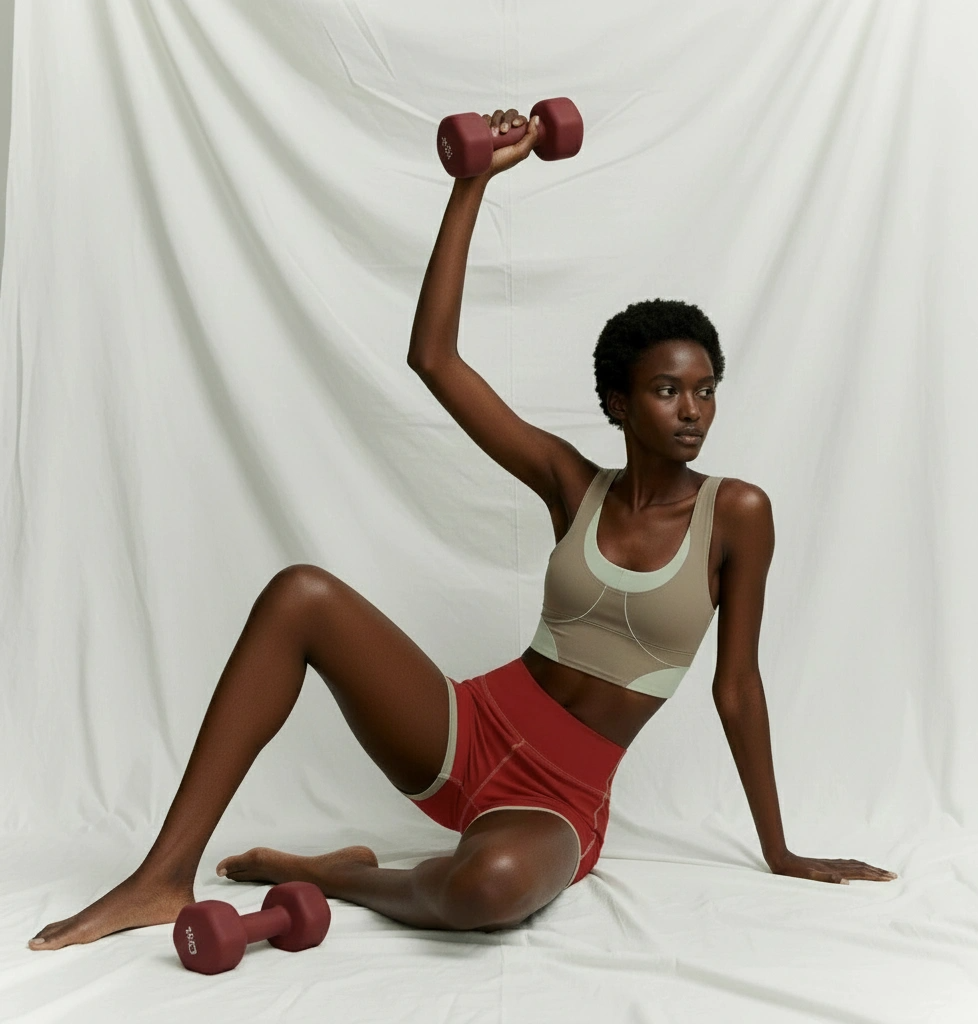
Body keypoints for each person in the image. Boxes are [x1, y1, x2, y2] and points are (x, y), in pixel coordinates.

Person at [28, 107, 894, 951]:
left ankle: (338, 876)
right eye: (668, 391)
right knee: (300, 594)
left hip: (556, 802)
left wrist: (780, 850)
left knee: (485, 891)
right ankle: (162, 875)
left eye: (705, 389)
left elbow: (737, 688)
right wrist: (471, 185)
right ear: (618, 404)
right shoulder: (572, 484)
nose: (693, 409)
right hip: (463, 731)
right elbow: (434, 359)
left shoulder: (736, 514)